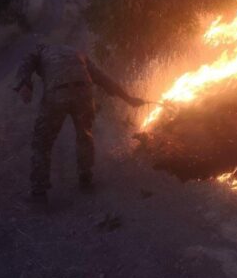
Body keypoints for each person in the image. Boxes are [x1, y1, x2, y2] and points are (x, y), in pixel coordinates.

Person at [13, 44, 145, 201]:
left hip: (56, 93)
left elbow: (25, 63)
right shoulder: (78, 54)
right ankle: (85, 176)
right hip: (84, 92)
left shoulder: (40, 51)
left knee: (42, 142)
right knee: (85, 134)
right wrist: (129, 99)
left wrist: (24, 84)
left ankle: (39, 190)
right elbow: (103, 79)